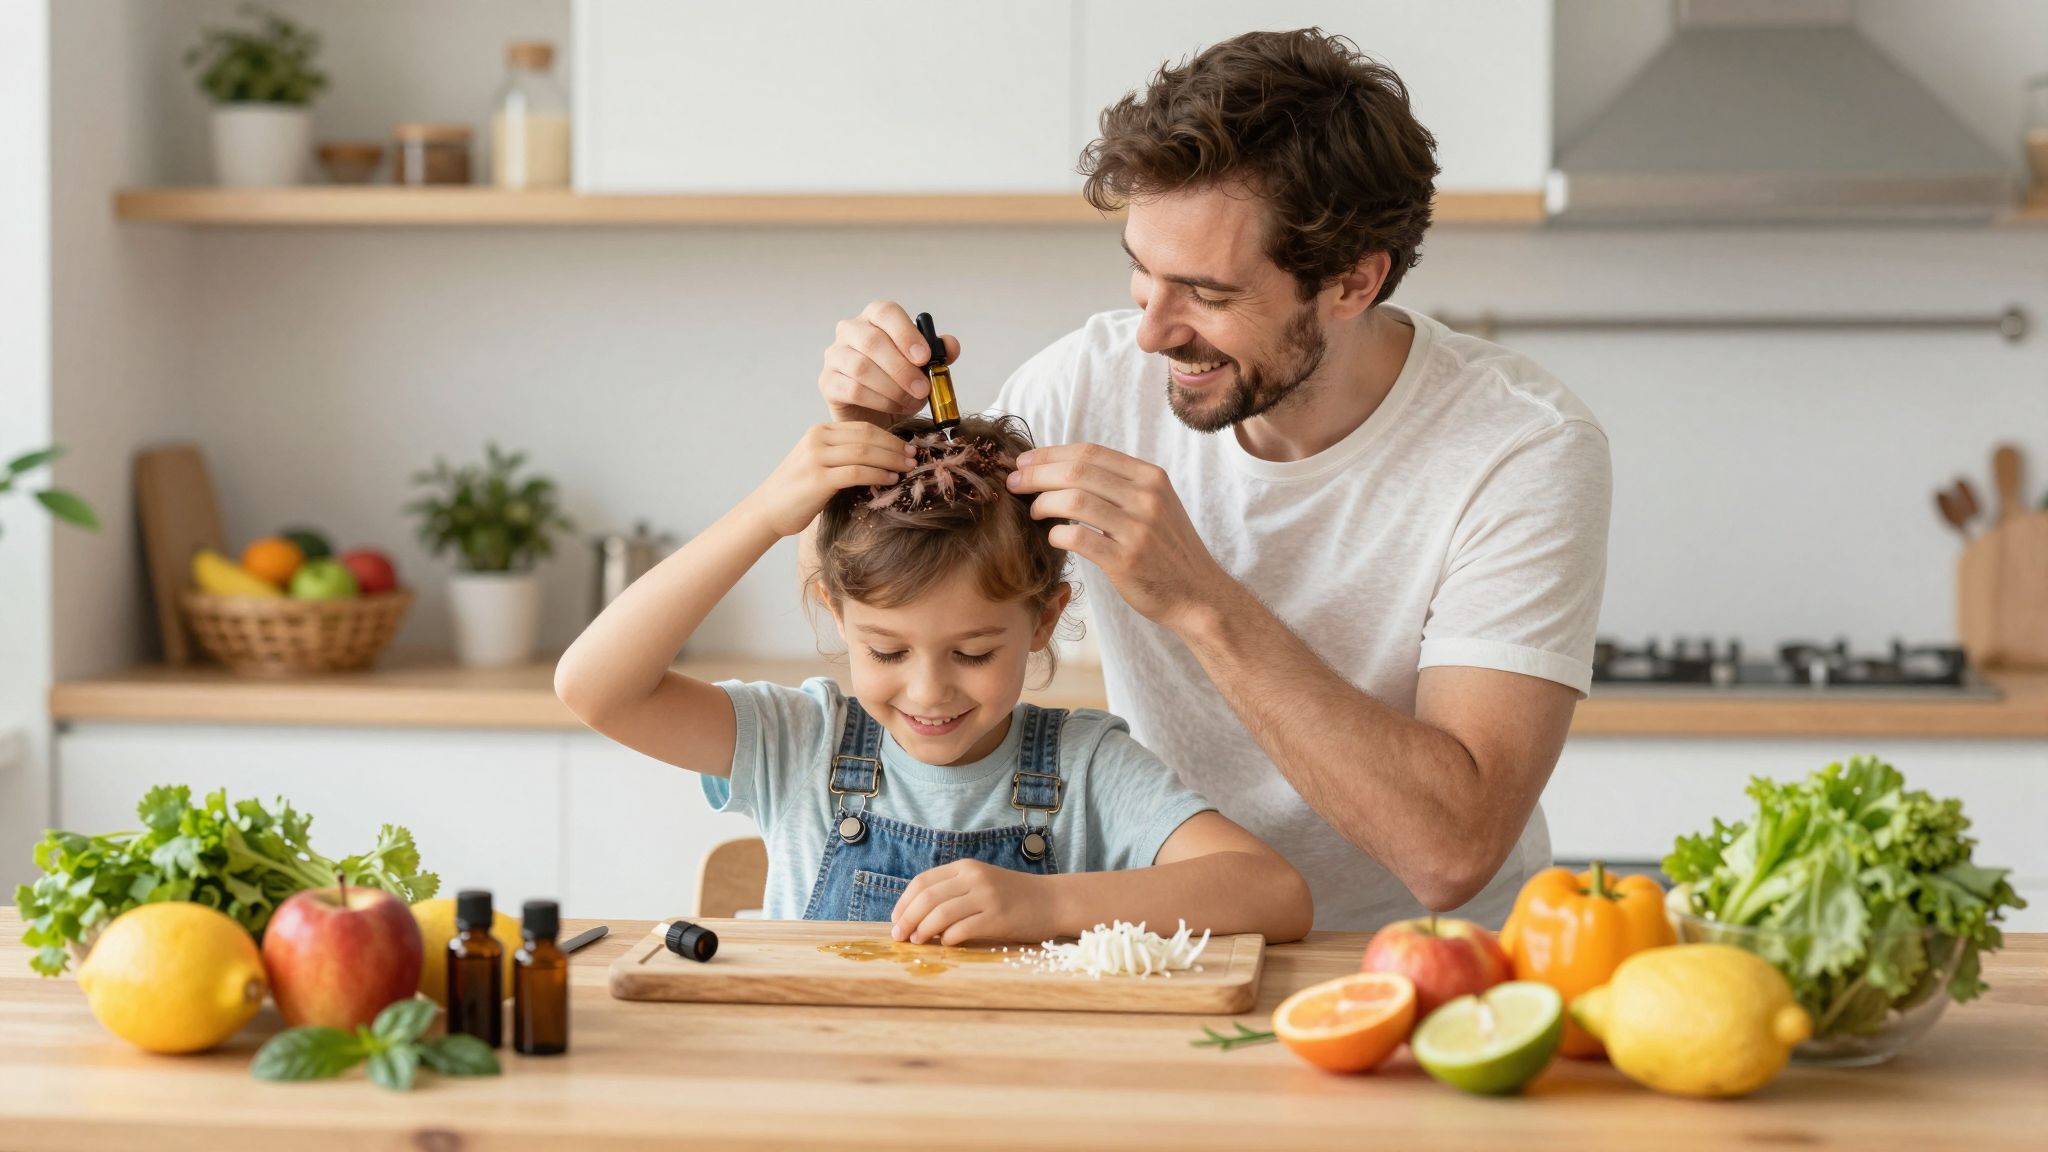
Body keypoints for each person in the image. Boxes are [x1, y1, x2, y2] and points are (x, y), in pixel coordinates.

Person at [815, 29, 1611, 930]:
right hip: (1166, 944)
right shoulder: (1083, 382)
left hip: (1430, 967)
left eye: (1209, 293)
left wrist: (1199, 598)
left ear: (1353, 283)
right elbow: (921, 585)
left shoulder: (1518, 449)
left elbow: (1451, 852)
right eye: (1141, 272)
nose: (1151, 333)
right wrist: (866, 435)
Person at [555, 414, 1312, 945]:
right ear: (836, 614)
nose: (928, 693)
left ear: (1044, 621)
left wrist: (1048, 902)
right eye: (886, 653)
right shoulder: (800, 745)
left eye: (974, 653)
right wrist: (763, 514)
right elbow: (594, 687)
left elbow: (1274, 893)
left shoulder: (1087, 768)